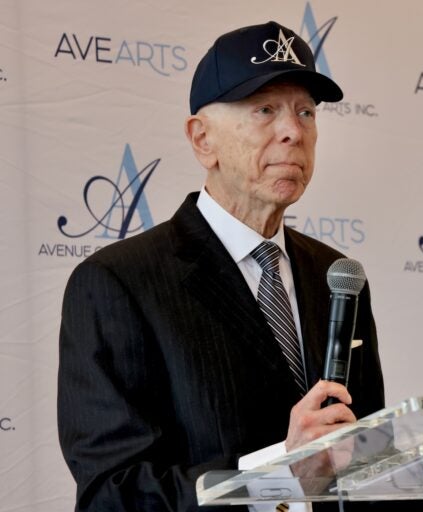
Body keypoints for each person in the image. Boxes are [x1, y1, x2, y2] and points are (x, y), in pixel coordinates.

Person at [57, 22, 385, 511]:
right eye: (265, 109)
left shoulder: (335, 274)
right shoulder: (117, 283)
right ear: (202, 139)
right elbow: (114, 493)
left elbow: (372, 460)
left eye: (306, 111)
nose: (293, 131)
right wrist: (278, 475)